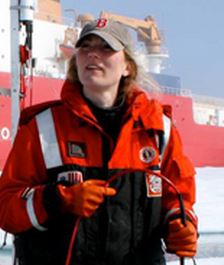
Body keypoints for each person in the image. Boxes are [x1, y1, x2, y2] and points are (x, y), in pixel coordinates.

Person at [0, 18, 198, 265]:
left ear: (128, 66)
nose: (93, 54)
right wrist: (58, 199)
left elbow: (178, 195)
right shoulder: (42, 127)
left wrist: (182, 225)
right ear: (76, 61)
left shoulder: (158, 130)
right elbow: (6, 208)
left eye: (106, 48)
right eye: (85, 47)